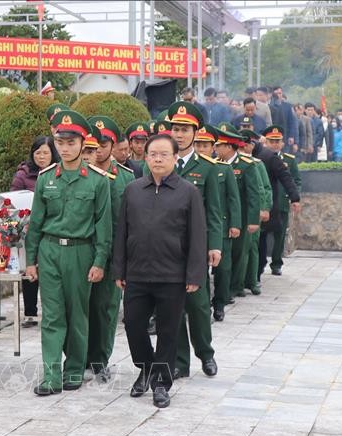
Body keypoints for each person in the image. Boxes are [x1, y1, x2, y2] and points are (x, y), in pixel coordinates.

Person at [113, 134, 207, 408]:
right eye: (153, 154)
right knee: (132, 325)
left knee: (169, 331)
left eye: (164, 154)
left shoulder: (188, 192)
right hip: (137, 273)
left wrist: (194, 275)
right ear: (145, 156)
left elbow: (197, 235)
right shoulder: (133, 190)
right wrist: (119, 269)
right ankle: (146, 367)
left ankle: (161, 384)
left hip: (172, 275)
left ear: (175, 159)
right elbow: (122, 232)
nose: (157, 159)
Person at [25, 110, 112, 396]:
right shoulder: (46, 178)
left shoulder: (98, 181)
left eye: (71, 142)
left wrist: (100, 261)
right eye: (60, 142)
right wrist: (31, 261)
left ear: (82, 142)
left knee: (77, 315)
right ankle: (51, 375)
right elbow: (35, 223)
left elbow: (103, 226)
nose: (65, 148)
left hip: (81, 252)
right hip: (50, 251)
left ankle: (74, 369)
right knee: (51, 316)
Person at [167, 101, 222, 382]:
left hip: (196, 248)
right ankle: (179, 362)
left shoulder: (208, 169)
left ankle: (206, 352)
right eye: (176, 128)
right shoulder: (161, 163)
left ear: (196, 132)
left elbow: (214, 212)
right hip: (166, 248)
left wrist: (215, 245)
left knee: (198, 305)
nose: (180, 134)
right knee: (172, 305)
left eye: (186, 129)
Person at [86, 115, 135, 382]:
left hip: (113, 253)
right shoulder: (78, 172)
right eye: (96, 143)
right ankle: (80, 356)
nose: (100, 149)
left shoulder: (125, 177)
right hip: (83, 249)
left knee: (106, 309)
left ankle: (100, 359)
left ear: (114, 144)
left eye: (105, 143)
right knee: (82, 308)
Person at [11, 136, 60, 328]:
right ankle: (30, 312)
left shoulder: (58, 172)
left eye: (45, 153)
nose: (41, 156)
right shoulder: (23, 174)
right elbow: (13, 200)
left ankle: (52, 311)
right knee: (30, 268)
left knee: (49, 271)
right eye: (37, 152)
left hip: (51, 229)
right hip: (29, 229)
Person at [194, 125, 240, 322]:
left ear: (213, 147)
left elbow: (233, 198)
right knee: (199, 270)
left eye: (205, 145)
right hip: (197, 228)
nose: (200, 149)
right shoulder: (190, 168)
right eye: (198, 144)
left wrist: (235, 223)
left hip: (220, 227)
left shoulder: (222, 169)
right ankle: (199, 305)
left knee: (222, 269)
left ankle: (219, 303)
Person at [214, 123, 261, 301]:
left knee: (239, 253)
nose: (216, 149)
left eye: (219, 146)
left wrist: (253, 220)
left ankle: (235, 286)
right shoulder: (215, 164)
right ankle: (225, 289)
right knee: (225, 257)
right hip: (222, 217)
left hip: (240, 217)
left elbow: (253, 194)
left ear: (229, 146)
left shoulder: (246, 165)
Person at [258, 125, 302, 279]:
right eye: (272, 141)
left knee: (280, 235)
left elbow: (295, 180)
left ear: (283, 143)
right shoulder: (260, 158)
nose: (275, 144)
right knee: (261, 235)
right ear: (266, 142)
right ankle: (260, 263)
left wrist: (294, 197)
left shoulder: (289, 160)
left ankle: (276, 263)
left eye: (278, 141)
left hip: (281, 202)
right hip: (265, 203)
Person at [238, 129, 273, 296]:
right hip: (237, 211)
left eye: (250, 143)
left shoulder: (256, 164)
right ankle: (237, 282)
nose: (246, 146)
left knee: (252, 247)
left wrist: (264, 208)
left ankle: (252, 281)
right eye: (243, 143)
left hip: (253, 211)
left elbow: (264, 188)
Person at [271, 86, 298, 154]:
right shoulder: (270, 106)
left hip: (285, 136)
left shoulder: (288, 106)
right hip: (272, 136)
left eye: (280, 93)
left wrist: (291, 136)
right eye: (276, 93)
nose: (278, 95)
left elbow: (292, 122)